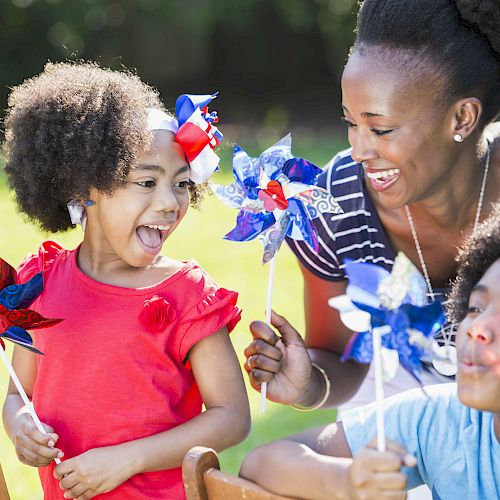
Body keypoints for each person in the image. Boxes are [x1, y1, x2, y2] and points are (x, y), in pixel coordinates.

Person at [1, 62, 250, 500]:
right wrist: (22, 427)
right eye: (147, 182)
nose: (170, 201)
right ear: (84, 189)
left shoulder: (187, 295)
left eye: (181, 185)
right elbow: (19, 395)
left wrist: (127, 458)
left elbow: (231, 417)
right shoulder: (38, 284)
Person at [244, 0, 500, 413]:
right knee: (274, 463)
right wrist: (308, 384)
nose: (359, 149)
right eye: (350, 123)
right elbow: (338, 358)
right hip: (394, 390)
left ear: (463, 119)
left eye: (381, 129)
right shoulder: (333, 203)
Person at [240, 205, 500, 500]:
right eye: (476, 307)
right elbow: (261, 463)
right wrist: (346, 481)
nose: (476, 327)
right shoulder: (444, 420)